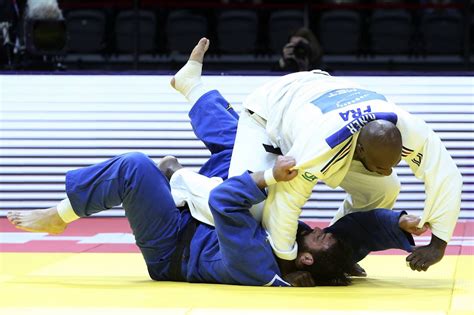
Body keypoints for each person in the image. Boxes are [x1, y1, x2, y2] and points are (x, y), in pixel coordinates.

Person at [7, 38, 422, 286]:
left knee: (135, 167)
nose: (319, 229)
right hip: (217, 208)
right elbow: (357, 232)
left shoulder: (257, 264)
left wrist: (265, 177)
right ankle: (191, 89)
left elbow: (226, 203)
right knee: (239, 140)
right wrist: (399, 224)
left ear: (306, 259)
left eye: (319, 238)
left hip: (174, 240)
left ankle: (63, 214)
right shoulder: (321, 252)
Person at [171, 37, 462, 273]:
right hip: (270, 109)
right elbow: (285, 202)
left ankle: (338, 254)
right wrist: (287, 260)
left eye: (391, 164)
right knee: (250, 208)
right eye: (378, 165)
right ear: (360, 148)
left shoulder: (410, 128)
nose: (385, 169)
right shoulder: (320, 147)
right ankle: (178, 177)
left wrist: (439, 243)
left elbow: (447, 176)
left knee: (385, 187)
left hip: (316, 95)